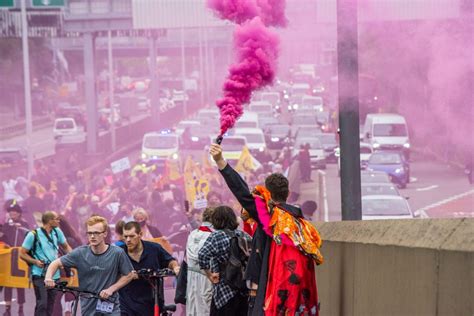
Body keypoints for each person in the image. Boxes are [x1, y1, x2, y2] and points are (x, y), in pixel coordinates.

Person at [209, 143, 323, 316]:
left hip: (270, 291)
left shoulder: (268, 218)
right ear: (288, 192)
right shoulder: (302, 224)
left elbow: (242, 192)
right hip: (298, 296)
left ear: (267, 195)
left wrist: (221, 162)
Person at [44, 216, 134, 316]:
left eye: (96, 233)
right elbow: (55, 263)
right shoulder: (80, 253)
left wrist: (111, 289)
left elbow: (129, 274)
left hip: (111, 308)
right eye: (90, 233)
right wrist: (48, 278)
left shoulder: (117, 253)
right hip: (88, 309)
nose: (92, 236)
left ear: (105, 233)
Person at [118, 221, 179, 315]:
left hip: (151, 304)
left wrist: (175, 267)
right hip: (127, 305)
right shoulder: (119, 253)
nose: (128, 240)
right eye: (125, 237)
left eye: (132, 236)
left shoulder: (154, 249)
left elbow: (170, 261)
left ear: (140, 234)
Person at [198, 205, 250, 316]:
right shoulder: (243, 235)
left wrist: (210, 275)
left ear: (216, 220)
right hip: (243, 290)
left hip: (224, 291)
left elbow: (202, 255)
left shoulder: (216, 236)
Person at [19, 211, 72, 316]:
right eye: (56, 219)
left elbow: (66, 246)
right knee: (42, 303)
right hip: (39, 274)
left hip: (54, 275)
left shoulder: (57, 232)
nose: (58, 221)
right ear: (49, 221)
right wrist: (35, 261)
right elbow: (22, 253)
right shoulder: (33, 235)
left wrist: (73, 258)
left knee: (50, 304)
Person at [2, 200, 30, 316]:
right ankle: (7, 309)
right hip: (8, 258)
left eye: (15, 212)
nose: (12, 214)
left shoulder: (25, 225)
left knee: (20, 284)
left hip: (20, 258)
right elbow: (2, 238)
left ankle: (21, 308)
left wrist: (21, 228)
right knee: (7, 283)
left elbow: (30, 238)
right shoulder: (6, 226)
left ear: (19, 213)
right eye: (11, 212)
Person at [185, 207, 215, 316]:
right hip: (208, 276)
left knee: (193, 310)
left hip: (192, 278)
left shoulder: (192, 234)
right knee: (206, 309)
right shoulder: (214, 236)